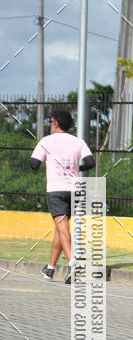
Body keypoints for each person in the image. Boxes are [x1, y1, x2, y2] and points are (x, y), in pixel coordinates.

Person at [30, 109, 95, 284]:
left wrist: (39, 166)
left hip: (56, 190)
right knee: (61, 227)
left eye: (51, 122)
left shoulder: (46, 141)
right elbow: (90, 162)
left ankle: (73, 262)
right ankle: (50, 268)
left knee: (62, 227)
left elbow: (34, 163)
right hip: (74, 189)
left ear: (56, 123)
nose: (50, 125)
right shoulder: (77, 141)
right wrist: (75, 169)